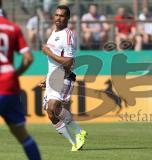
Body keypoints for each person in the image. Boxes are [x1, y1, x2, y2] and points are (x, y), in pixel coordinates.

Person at [39, 5, 87, 152]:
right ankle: (74, 143)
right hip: (53, 77)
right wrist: (47, 78)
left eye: (62, 16)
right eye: (57, 15)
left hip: (64, 76)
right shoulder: (53, 33)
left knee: (54, 107)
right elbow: (54, 62)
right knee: (50, 113)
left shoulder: (68, 35)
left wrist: (48, 52)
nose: (58, 18)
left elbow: (69, 62)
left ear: (67, 18)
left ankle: (79, 132)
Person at [0, 1, 41, 160]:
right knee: (22, 135)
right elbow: (28, 58)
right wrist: (15, 74)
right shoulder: (13, 27)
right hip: (10, 85)